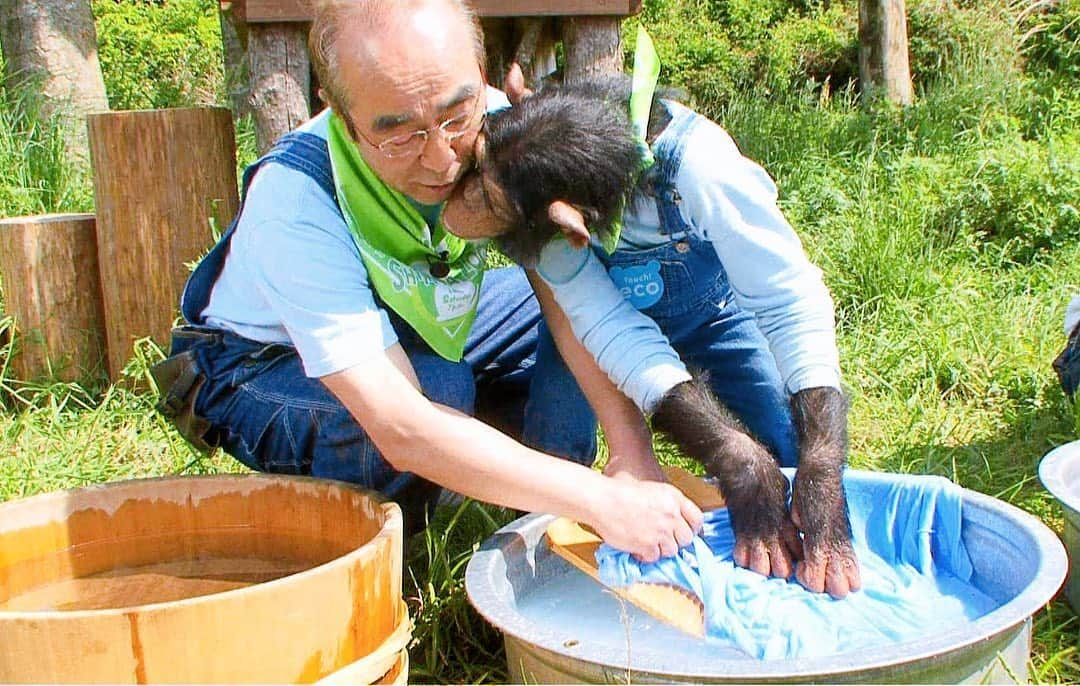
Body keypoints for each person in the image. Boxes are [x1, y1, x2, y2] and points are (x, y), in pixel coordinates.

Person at [153, 0, 703, 561]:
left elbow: (570, 304)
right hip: (261, 360)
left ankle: (546, 514)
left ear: (480, 79)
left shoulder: (493, 125)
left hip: (415, 317)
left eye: (456, 116)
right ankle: (387, 554)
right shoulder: (294, 198)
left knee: (589, 289)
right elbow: (401, 423)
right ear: (342, 117)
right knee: (437, 391)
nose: (440, 159)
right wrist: (599, 501)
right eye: (400, 135)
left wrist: (631, 455)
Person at [441, 74, 862, 598]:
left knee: (788, 451)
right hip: (598, 331)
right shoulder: (540, 211)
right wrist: (730, 452)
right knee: (555, 455)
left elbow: (787, 300)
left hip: (714, 312)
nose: (457, 211)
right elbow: (609, 331)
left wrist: (822, 461)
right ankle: (549, 577)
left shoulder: (702, 168)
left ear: (573, 222)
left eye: (487, 197)